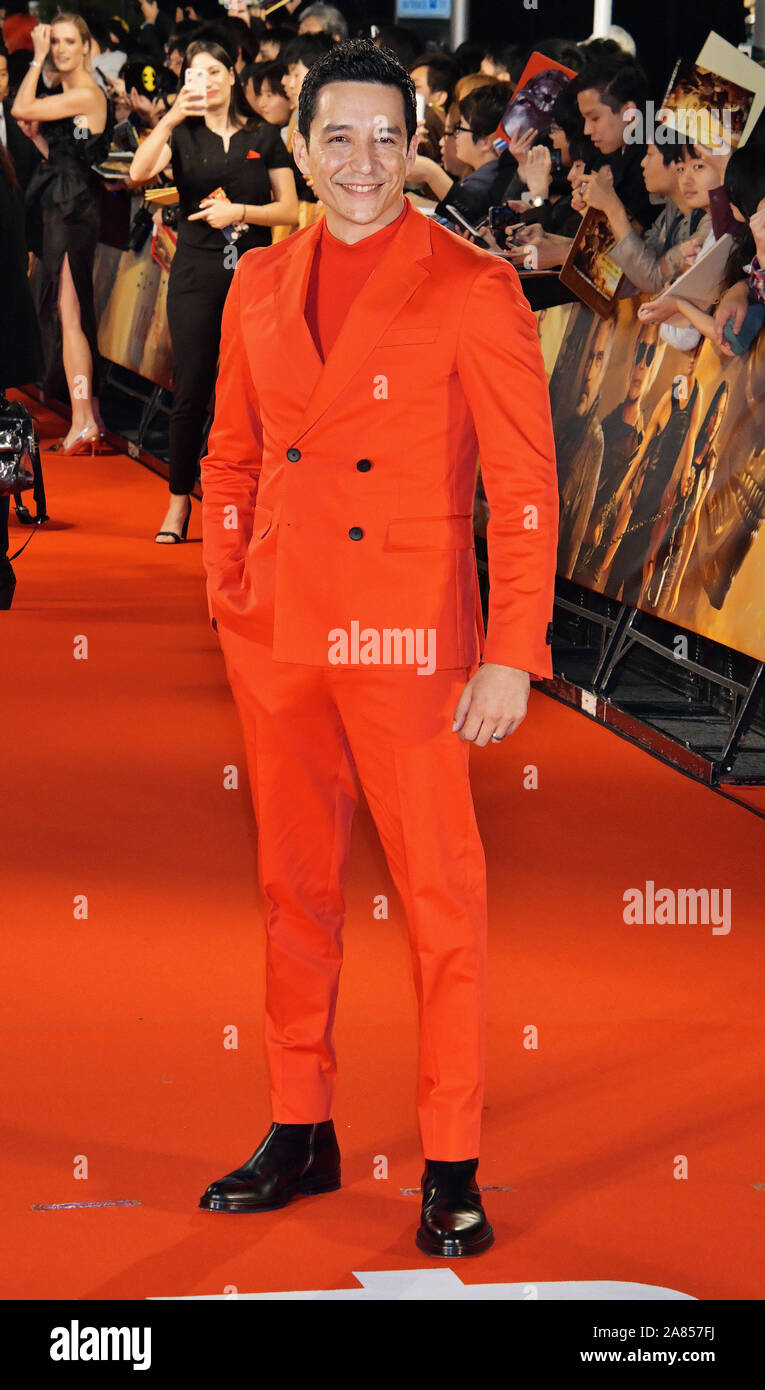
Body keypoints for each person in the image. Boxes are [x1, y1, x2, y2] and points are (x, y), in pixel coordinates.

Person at [197, 38, 559, 1258]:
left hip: (410, 642)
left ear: (416, 150)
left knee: (442, 901)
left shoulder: (472, 287)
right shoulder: (257, 282)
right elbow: (230, 454)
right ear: (299, 148)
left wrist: (511, 647)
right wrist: (226, 582)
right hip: (280, 632)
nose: (363, 162)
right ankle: (300, 1122)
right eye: (338, 138)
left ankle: (451, 1159)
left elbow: (522, 487)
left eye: (386, 138)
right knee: (292, 890)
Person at [129, 38, 298, 544]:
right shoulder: (182, 137)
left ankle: (259, 502)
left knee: (254, 392)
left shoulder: (264, 136)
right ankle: (179, 502)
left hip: (254, 273)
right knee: (193, 386)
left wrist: (240, 212)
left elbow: (289, 210)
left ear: (231, 74)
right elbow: (138, 174)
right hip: (197, 273)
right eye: (193, 75)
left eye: (213, 72)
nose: (205, 82)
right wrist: (169, 119)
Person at [11, 13, 114, 454]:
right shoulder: (75, 94)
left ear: (87, 45)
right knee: (70, 310)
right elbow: (64, 154)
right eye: (54, 44)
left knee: (69, 311)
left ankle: (84, 419)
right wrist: (38, 141)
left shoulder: (87, 91)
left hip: (73, 209)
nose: (60, 50)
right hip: (66, 202)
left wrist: (34, 61)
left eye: (69, 41)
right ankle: (90, 415)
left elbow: (19, 107)